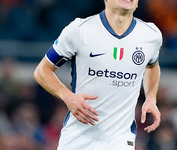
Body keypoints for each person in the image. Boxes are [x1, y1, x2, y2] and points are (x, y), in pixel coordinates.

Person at [34, 0, 162, 149]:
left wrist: (151, 97)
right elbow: (42, 70)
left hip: (120, 140)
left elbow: (152, 65)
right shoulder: (80, 30)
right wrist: (67, 96)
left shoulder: (151, 35)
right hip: (77, 139)